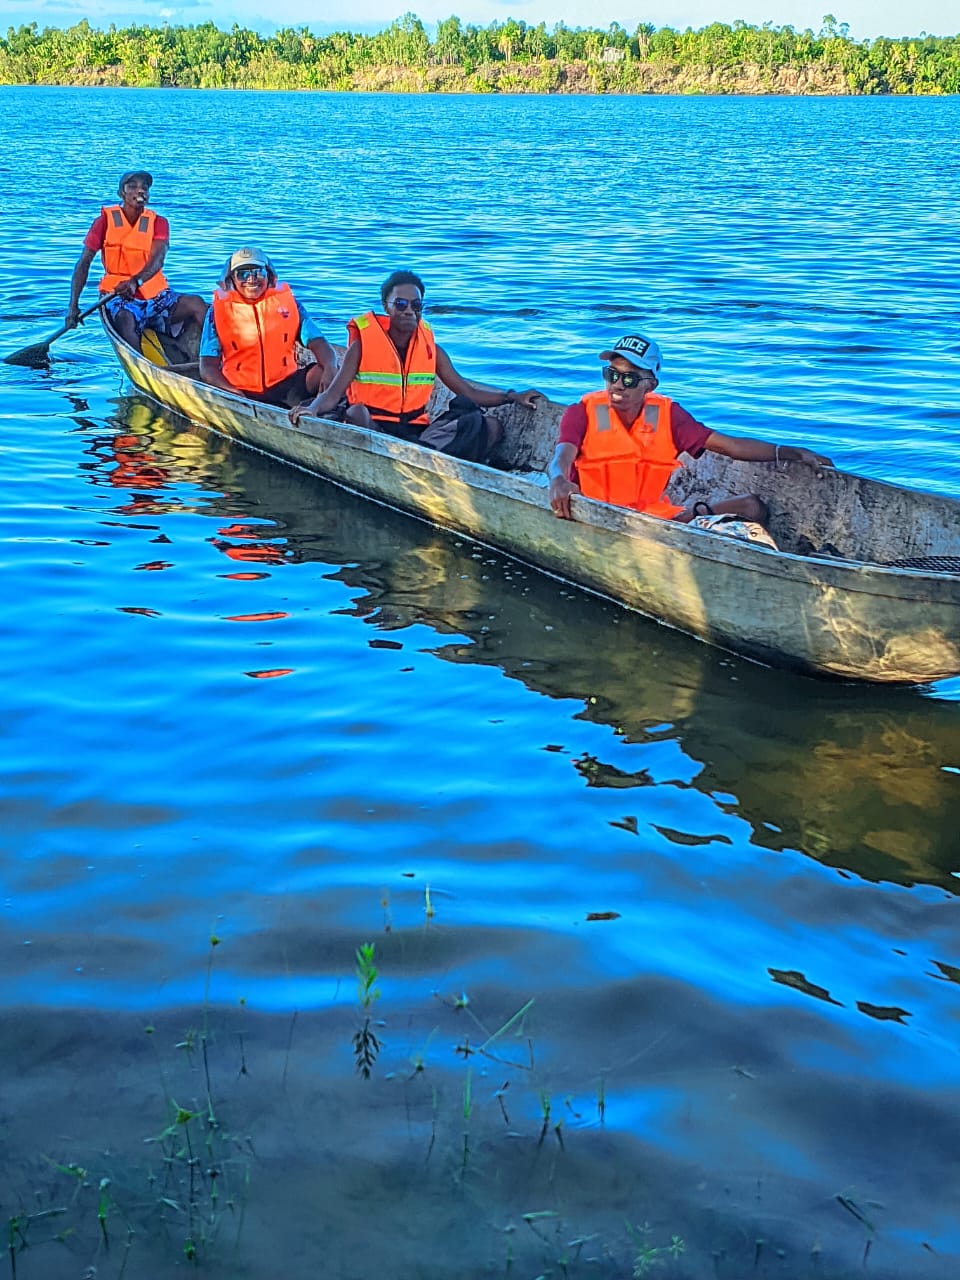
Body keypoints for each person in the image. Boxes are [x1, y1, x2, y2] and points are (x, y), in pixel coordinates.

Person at [548, 333, 832, 523]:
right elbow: (561, 457)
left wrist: (790, 452)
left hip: (653, 518)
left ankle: (700, 519)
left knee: (752, 506)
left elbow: (730, 446)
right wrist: (559, 479)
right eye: (611, 375)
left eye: (630, 379)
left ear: (651, 385)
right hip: (591, 513)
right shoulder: (582, 412)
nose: (618, 385)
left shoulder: (669, 415)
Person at [289, 270, 542, 461]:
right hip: (373, 428)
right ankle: (420, 457)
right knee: (356, 413)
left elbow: (469, 392)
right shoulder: (364, 345)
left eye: (416, 305)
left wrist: (512, 396)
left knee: (489, 426)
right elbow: (334, 393)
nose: (409, 311)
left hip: (416, 434)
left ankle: (423, 455)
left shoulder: (432, 349)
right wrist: (312, 409)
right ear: (386, 306)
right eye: (400, 304)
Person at [66, 170, 207, 352]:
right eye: (132, 186)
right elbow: (83, 263)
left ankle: (221, 353)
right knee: (125, 319)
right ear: (121, 193)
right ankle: (144, 366)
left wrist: (136, 281)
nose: (140, 191)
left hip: (156, 296)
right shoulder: (104, 222)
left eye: (144, 187)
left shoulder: (158, 222)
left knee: (197, 303)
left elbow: (158, 259)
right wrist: (73, 306)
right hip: (117, 295)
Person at [199, 247, 338, 408]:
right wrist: (234, 394)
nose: (251, 279)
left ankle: (323, 407)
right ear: (231, 280)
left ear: (269, 275)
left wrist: (330, 367)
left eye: (258, 272)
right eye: (242, 274)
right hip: (241, 390)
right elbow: (207, 367)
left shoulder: (290, 305)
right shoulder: (217, 312)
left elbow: (319, 343)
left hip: (287, 386)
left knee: (333, 370)